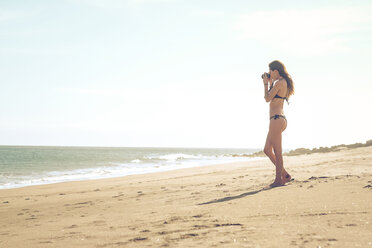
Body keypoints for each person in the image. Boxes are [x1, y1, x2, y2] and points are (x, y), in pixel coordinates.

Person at [262, 60, 294, 187]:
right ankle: (285, 174)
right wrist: (270, 83)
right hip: (278, 119)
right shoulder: (280, 83)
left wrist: (265, 84)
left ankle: (279, 180)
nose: (269, 73)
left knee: (277, 151)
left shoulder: (280, 82)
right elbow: (272, 97)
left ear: (276, 71)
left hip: (276, 119)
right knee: (267, 150)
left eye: (270, 71)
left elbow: (267, 98)